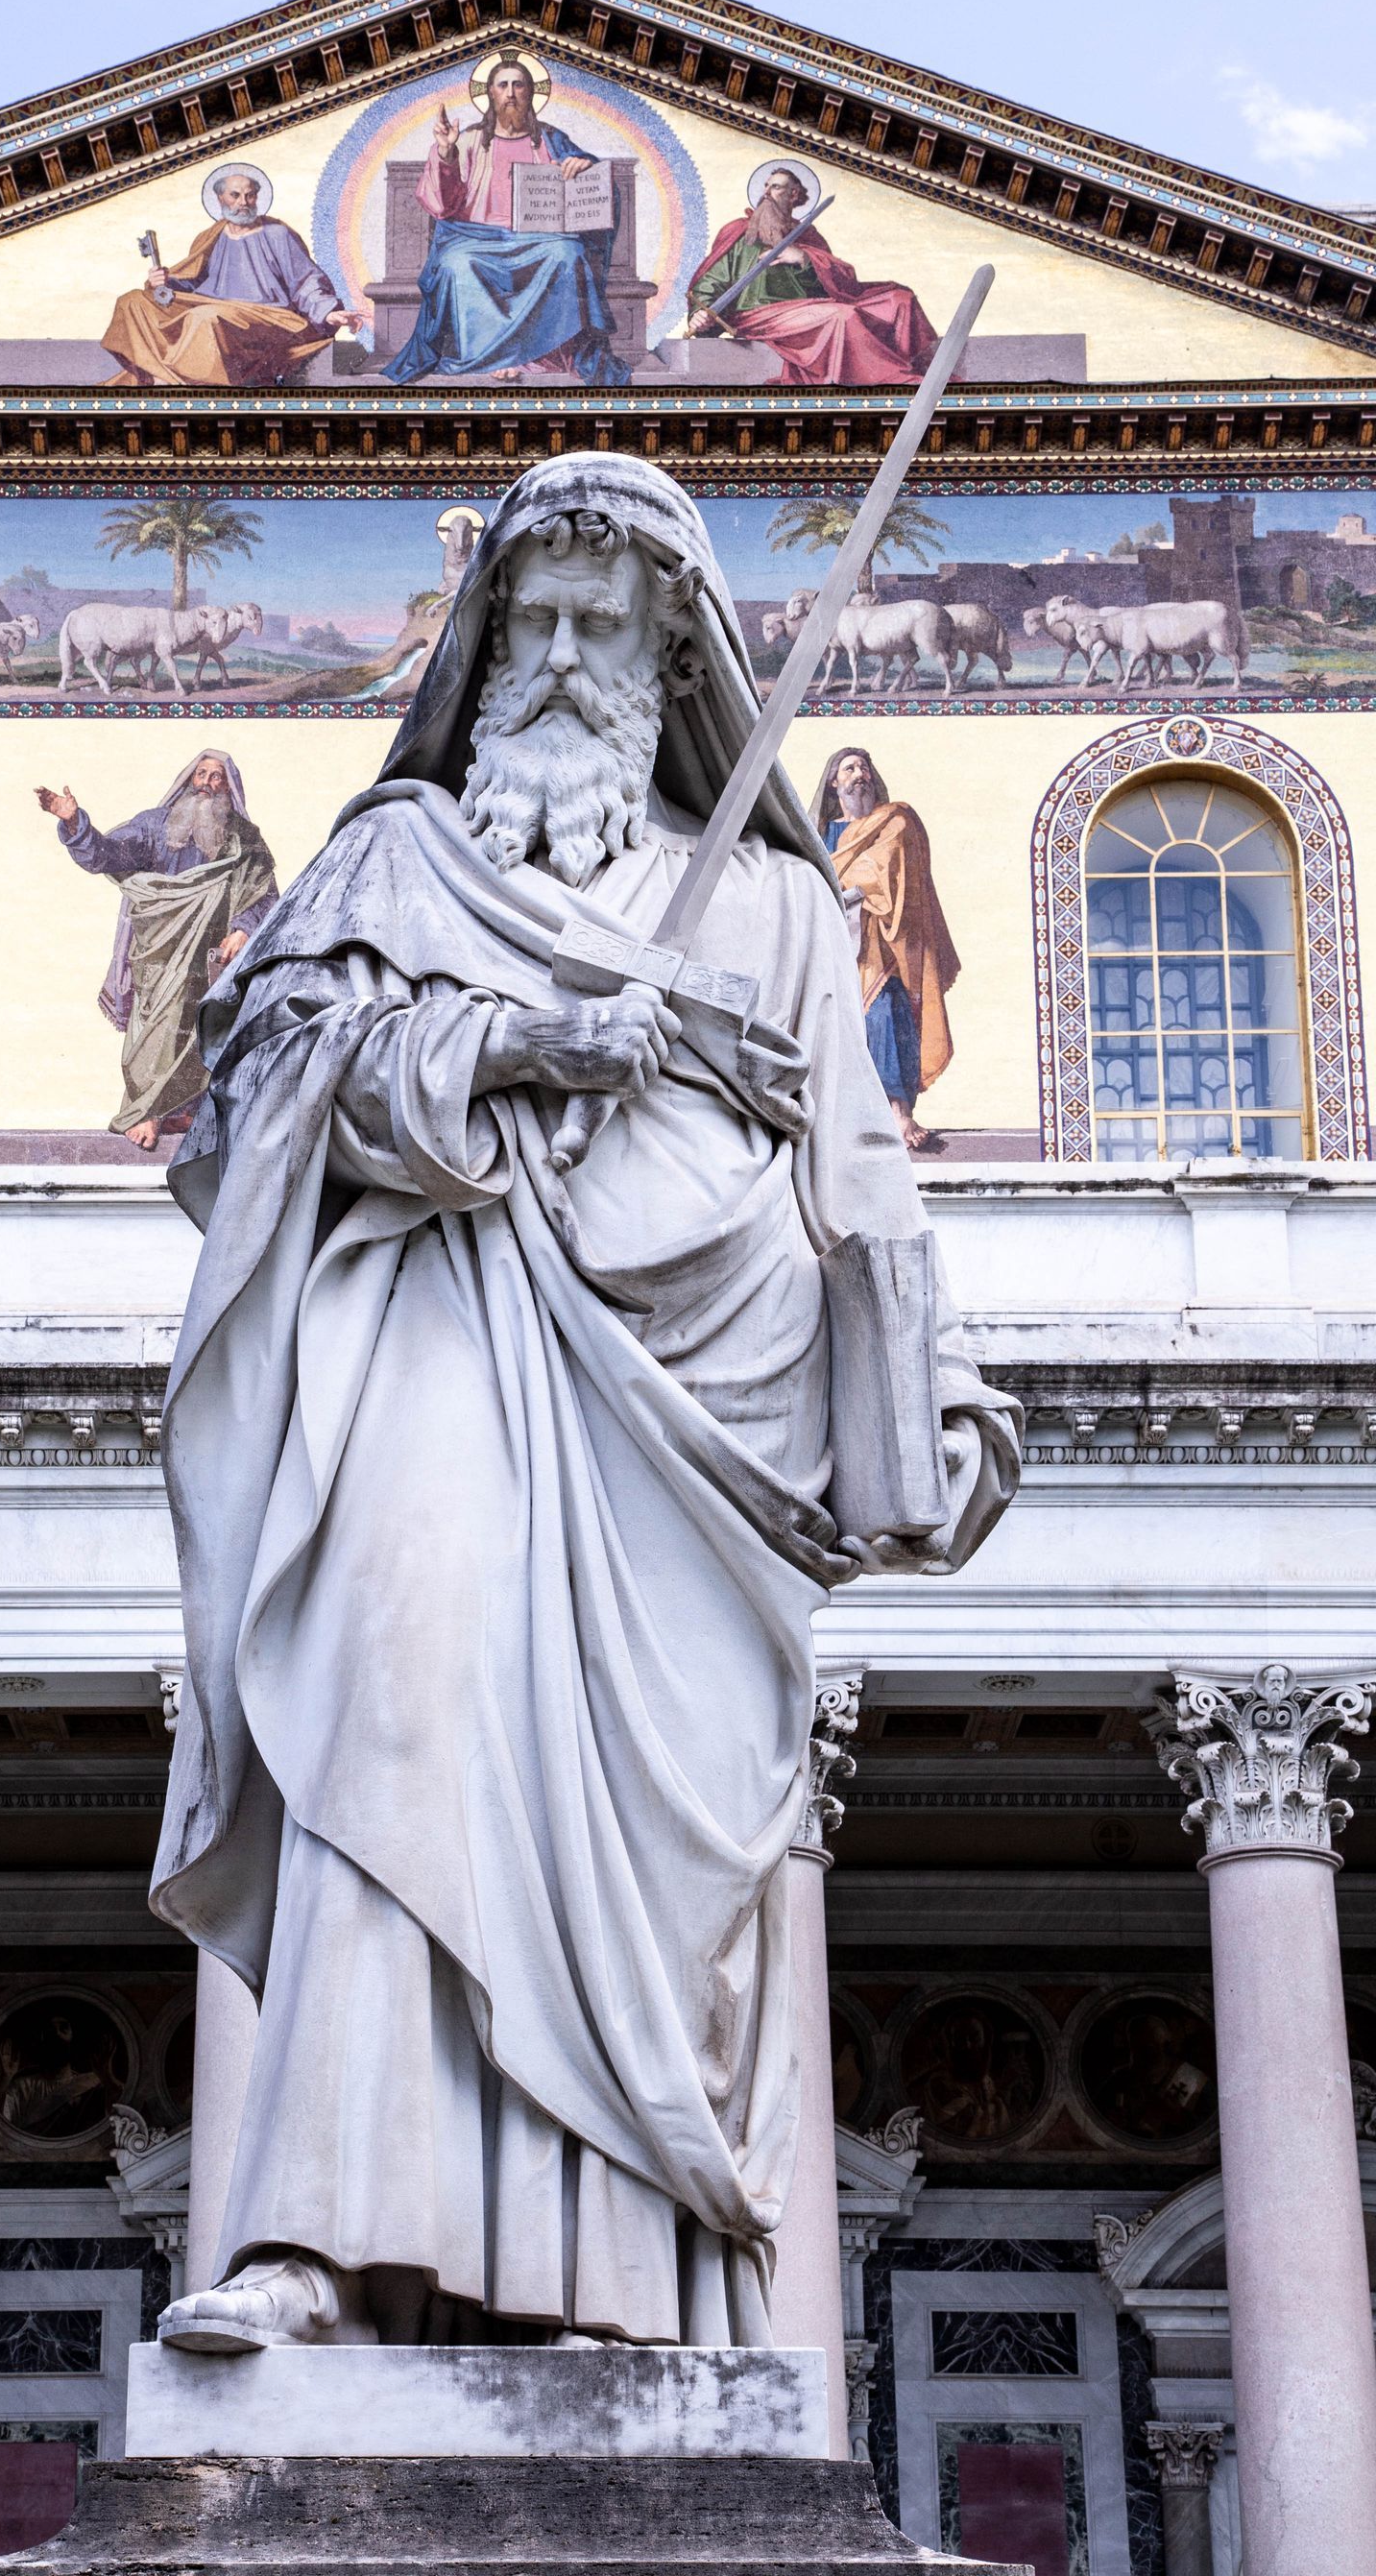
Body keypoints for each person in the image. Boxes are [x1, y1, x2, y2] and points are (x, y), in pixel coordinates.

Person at [147, 457, 1019, 2354]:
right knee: (390, 1711)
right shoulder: (394, 867)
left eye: (598, 629)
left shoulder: (782, 910)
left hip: (695, 1433)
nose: (555, 659)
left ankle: (625, 2293)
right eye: (525, 624)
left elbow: (857, 1185)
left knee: (653, 1847)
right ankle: (315, 2243)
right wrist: (547, 1035)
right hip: (440, 1334)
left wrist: (931, 1402)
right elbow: (256, 1100)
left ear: (669, 661)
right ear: (479, 650)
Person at [37, 752, 278, 1153]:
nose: (207, 782)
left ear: (229, 787)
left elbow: (264, 890)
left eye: (217, 777)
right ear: (187, 780)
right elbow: (108, 855)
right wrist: (74, 823)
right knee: (156, 1027)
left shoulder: (243, 837)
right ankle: (146, 1111)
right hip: (157, 951)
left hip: (213, 956)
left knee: (203, 1029)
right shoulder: (154, 825)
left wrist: (244, 928)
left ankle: (184, 1112)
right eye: (200, 774)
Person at [389, 59, 630, 386]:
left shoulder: (551, 140)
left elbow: (596, 177)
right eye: (503, 85)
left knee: (568, 253)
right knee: (455, 263)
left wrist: (582, 164)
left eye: (519, 85)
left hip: (537, 239)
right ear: (490, 93)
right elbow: (442, 206)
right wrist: (445, 155)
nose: (511, 93)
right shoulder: (468, 140)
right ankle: (487, 357)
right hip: (476, 237)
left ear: (531, 92)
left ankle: (538, 356)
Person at [815, 747, 959, 1154]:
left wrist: (855, 887)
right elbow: (810, 874)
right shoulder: (821, 832)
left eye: (863, 767)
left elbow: (900, 870)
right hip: (836, 940)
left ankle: (899, 1112)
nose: (859, 773)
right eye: (849, 768)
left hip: (885, 940)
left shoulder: (896, 820)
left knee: (887, 1014)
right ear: (833, 782)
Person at [102, 166, 363, 389]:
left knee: (204, 318)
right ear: (220, 199)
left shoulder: (277, 234)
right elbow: (191, 282)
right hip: (212, 308)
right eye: (235, 195)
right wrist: (164, 281)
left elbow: (306, 281)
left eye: (250, 196)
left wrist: (328, 312)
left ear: (257, 198)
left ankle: (181, 384)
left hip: (266, 316)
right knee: (132, 301)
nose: (243, 202)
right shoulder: (209, 237)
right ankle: (159, 372)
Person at [686, 164, 939, 387]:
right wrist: (701, 313)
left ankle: (917, 366)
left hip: (809, 308)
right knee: (843, 316)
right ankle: (893, 379)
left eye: (775, 187)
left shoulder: (809, 236)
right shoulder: (740, 232)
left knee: (899, 299)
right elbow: (712, 280)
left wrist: (805, 260)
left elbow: (839, 284)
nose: (766, 194)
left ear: (793, 195)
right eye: (765, 187)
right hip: (760, 314)